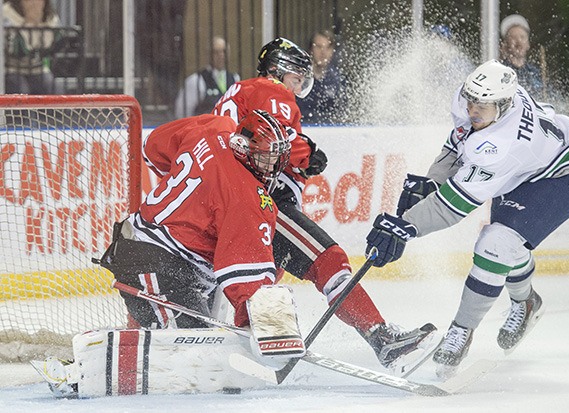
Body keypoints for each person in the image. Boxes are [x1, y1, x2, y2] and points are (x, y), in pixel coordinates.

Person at [214, 37, 437, 372]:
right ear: (278, 70)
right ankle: (382, 340)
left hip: (228, 198)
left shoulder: (238, 92)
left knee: (261, 280)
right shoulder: (271, 90)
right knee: (328, 259)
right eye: (297, 77)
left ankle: (248, 350)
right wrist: (308, 153)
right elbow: (280, 139)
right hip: (259, 198)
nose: (300, 84)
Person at [365, 60, 569, 377]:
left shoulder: (502, 146)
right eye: (470, 99)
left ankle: (462, 330)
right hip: (526, 168)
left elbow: (451, 206)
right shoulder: (480, 99)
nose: (472, 108)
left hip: (557, 177)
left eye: (481, 104)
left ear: (503, 104)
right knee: (506, 246)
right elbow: (459, 139)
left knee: (495, 244)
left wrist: (406, 226)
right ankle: (526, 303)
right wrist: (433, 180)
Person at [96, 110, 302, 347]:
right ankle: (78, 370)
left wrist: (202, 184)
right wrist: (266, 326)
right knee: (186, 349)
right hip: (154, 261)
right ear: (244, 149)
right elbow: (245, 277)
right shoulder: (245, 197)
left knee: (201, 342)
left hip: (159, 255)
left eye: (277, 156)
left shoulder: (216, 126)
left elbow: (152, 147)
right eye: (267, 158)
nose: (273, 165)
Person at [3, 0, 62, 94]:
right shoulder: (7, 13)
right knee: (21, 90)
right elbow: (15, 50)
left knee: (52, 86)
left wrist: (38, 23)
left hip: (38, 69)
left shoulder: (50, 18)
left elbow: (51, 47)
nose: (34, 2)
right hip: (11, 69)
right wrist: (28, 23)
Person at [174, 36, 241, 118]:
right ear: (208, 55)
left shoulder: (235, 78)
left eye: (224, 51)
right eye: (216, 52)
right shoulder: (196, 80)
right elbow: (182, 112)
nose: (221, 55)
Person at [296, 29, 347, 125]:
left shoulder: (339, 80)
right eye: (319, 47)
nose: (323, 52)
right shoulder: (298, 78)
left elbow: (343, 114)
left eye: (327, 47)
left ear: (333, 51)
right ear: (311, 49)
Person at [499, 14, 544, 100]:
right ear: (505, 44)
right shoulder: (501, 71)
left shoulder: (536, 72)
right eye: (513, 38)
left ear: (528, 44)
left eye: (522, 37)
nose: (518, 42)